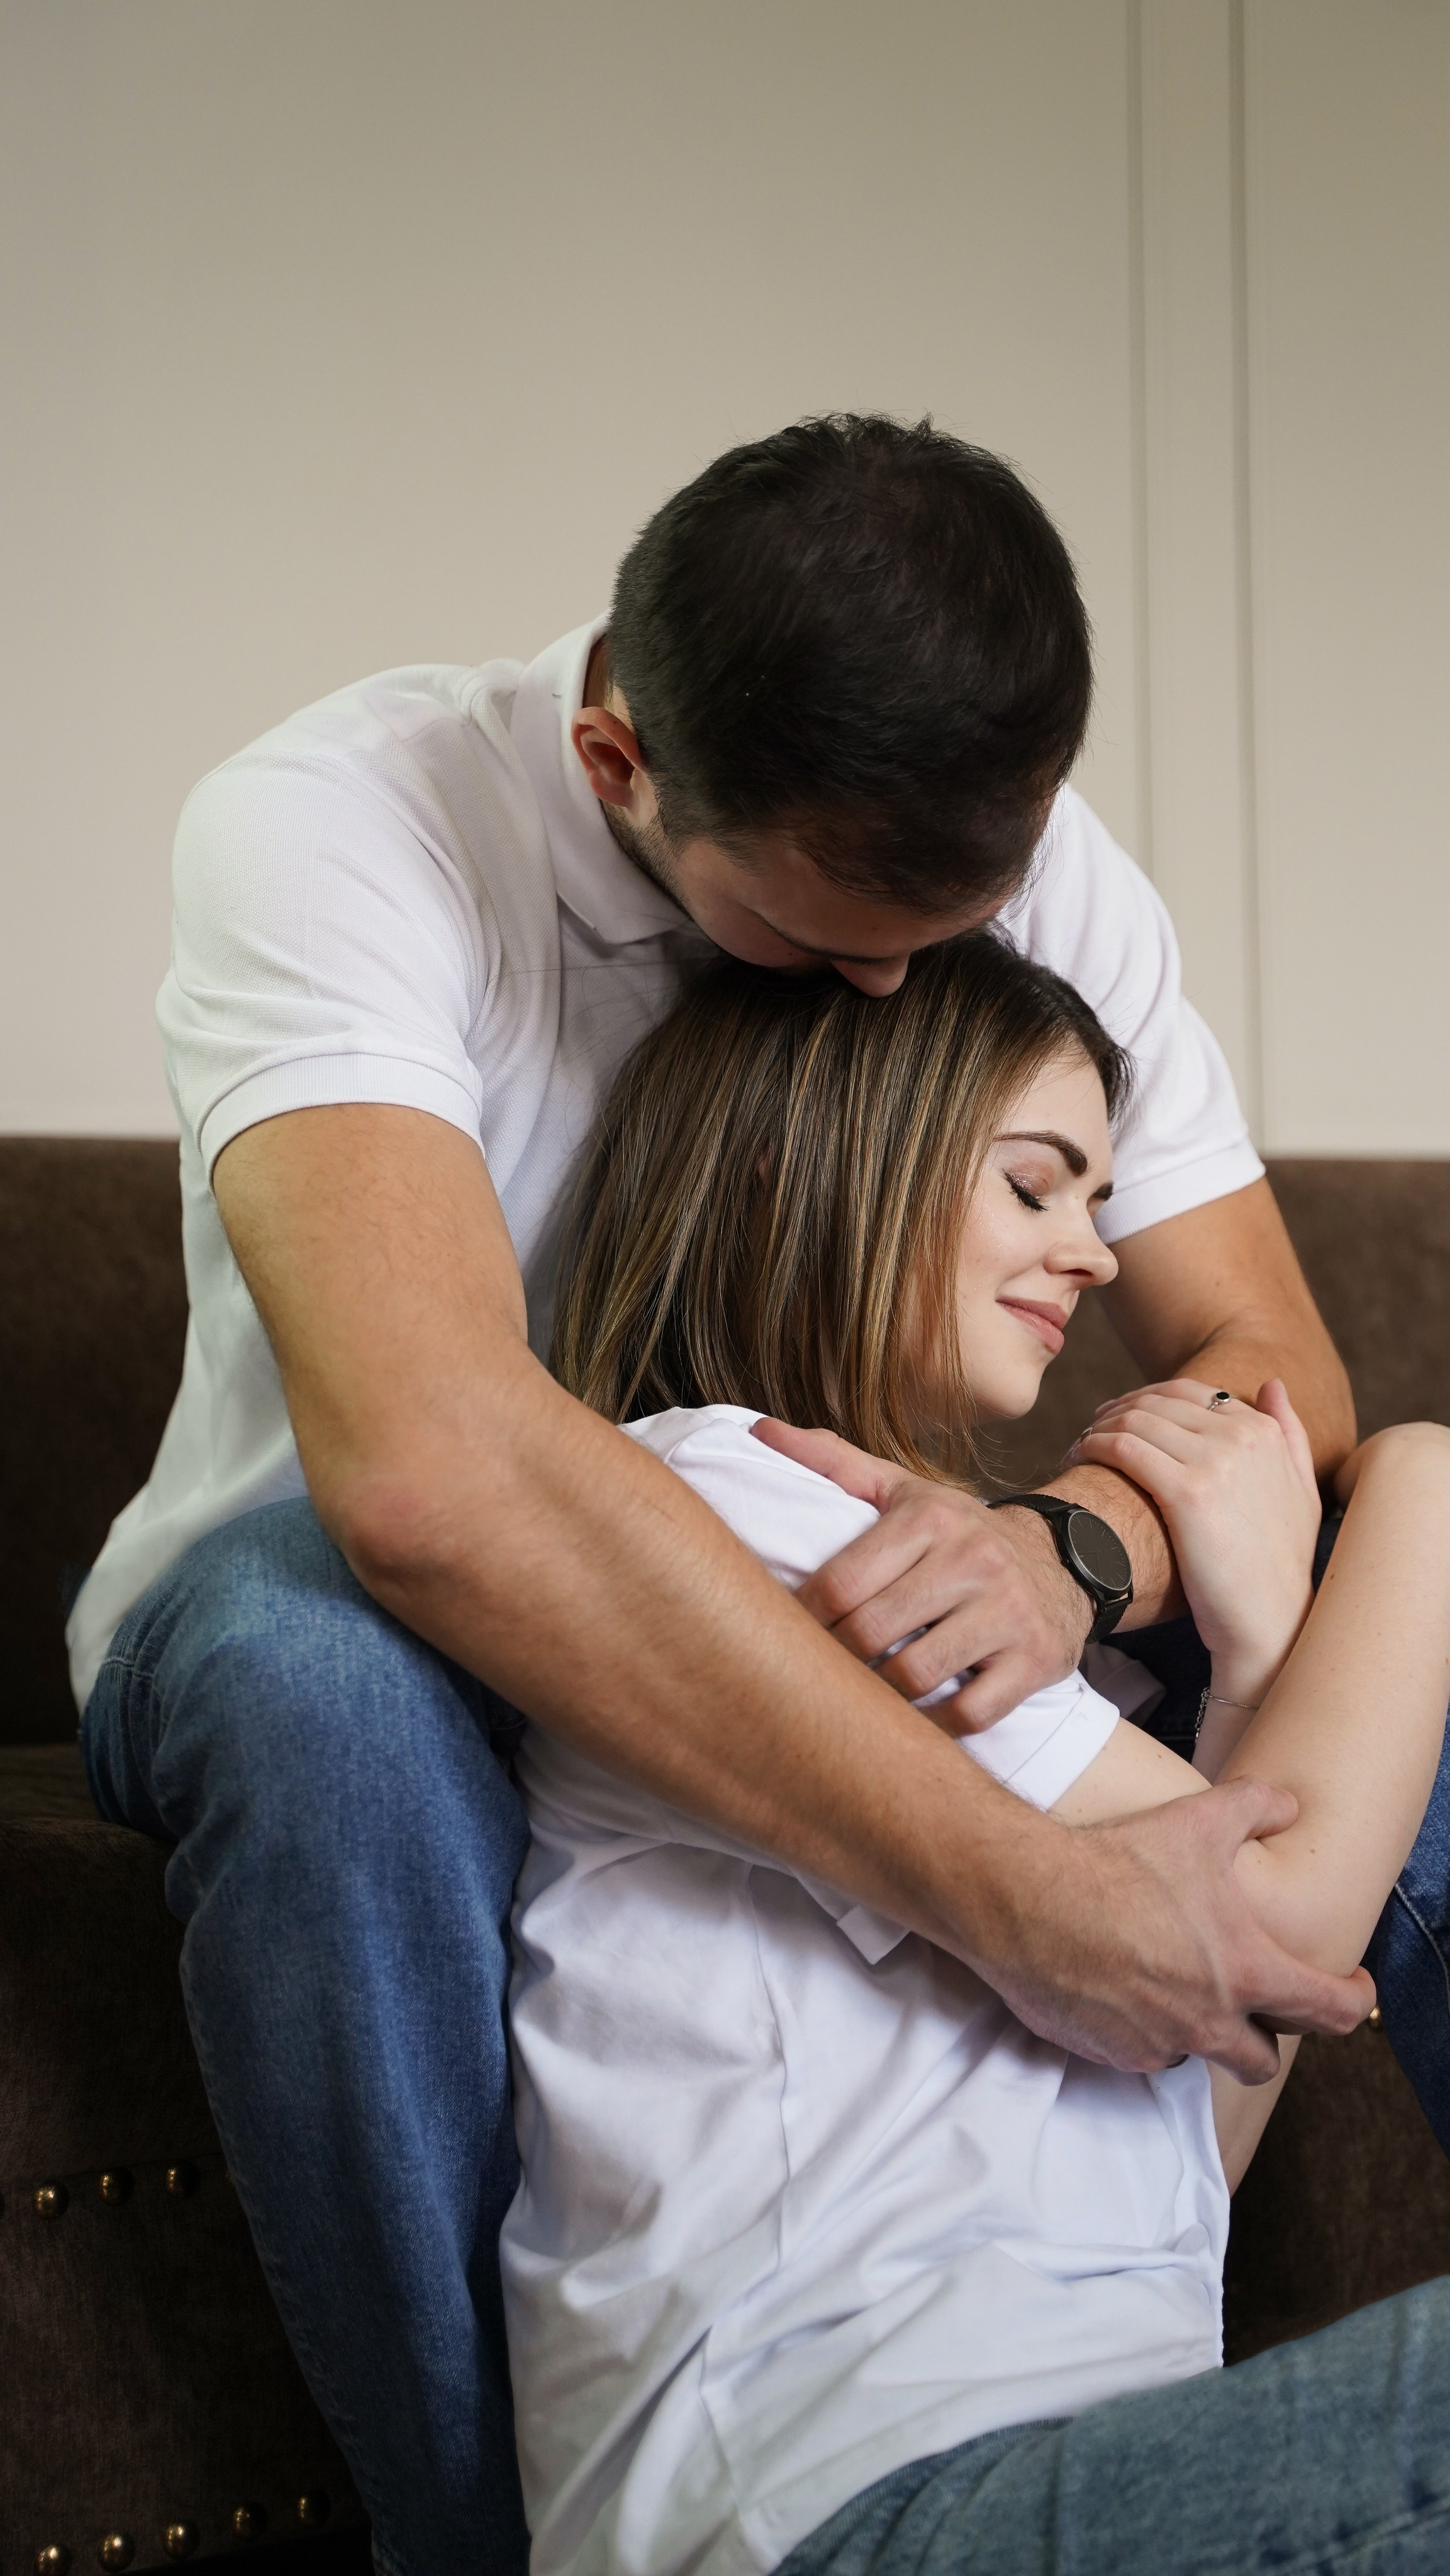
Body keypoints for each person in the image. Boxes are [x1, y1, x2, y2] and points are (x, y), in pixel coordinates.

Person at [74, 417, 1367, 2576]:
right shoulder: (338, 823)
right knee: (315, 1667)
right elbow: (430, 1473)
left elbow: (1274, 1369)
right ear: (615, 763)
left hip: (804, 1536)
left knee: (1370, 1629)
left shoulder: (1024, 857)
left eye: (946, 927)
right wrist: (1019, 1893)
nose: (892, 990)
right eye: (830, 934)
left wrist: (1076, 1549)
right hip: (352, 1595)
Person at [504, 934, 1450, 2576]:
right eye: (1036, 1185)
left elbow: (1207, 2064)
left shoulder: (905, 1562)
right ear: (796, 1169)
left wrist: (1245, 1666)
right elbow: (1283, 1920)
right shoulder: (704, 1504)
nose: (1089, 1257)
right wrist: (1428, 1476)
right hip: (859, 2516)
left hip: (1081, 2458)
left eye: (1096, 1200)